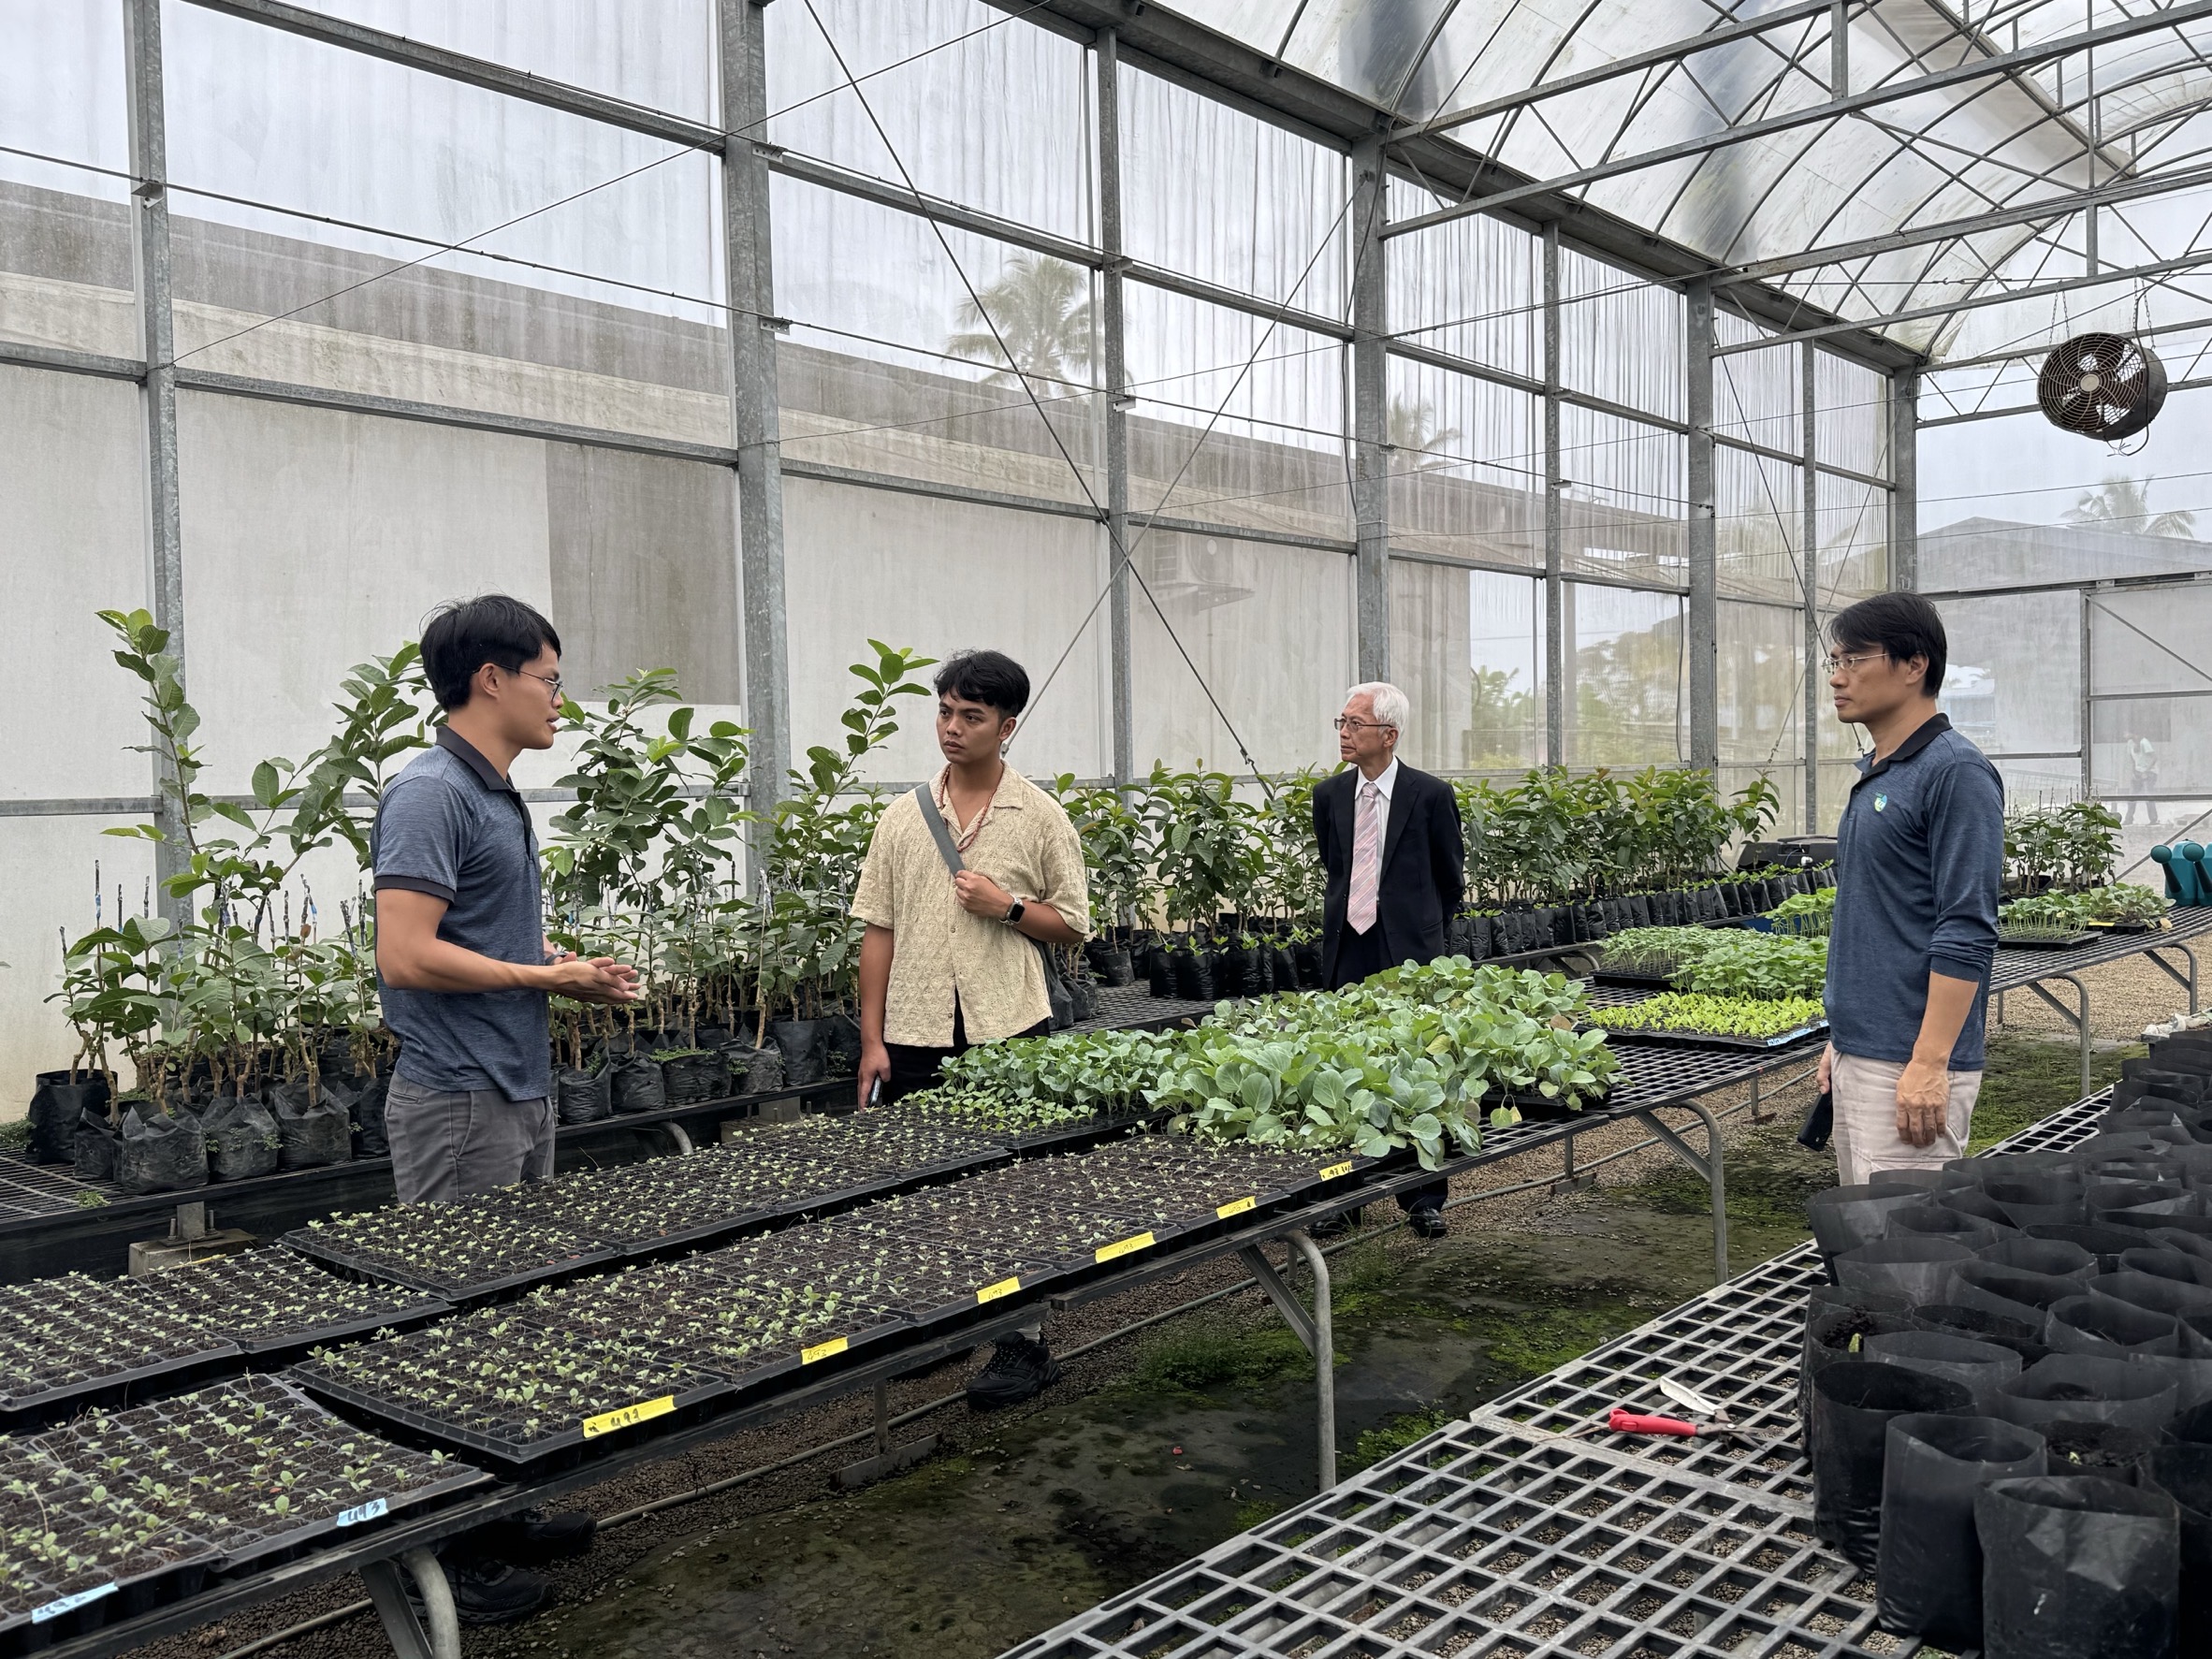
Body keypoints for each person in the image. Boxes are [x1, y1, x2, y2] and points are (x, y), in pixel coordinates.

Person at [372, 594, 640, 1623]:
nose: (560, 699)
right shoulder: (430, 793)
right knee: (454, 1321)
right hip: (458, 1098)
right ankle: (448, 1556)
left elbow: (475, 939)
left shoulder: (492, 793)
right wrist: (543, 981)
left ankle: (499, 1506)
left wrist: (562, 968)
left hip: (515, 1088)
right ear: (492, 679)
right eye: (550, 679)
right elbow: (405, 954)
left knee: (511, 1311)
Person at [852, 648, 1090, 1407]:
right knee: (921, 1186)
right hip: (915, 1028)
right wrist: (872, 1039)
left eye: (972, 716)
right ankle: (940, 1325)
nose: (952, 728)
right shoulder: (902, 817)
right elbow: (878, 930)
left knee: (1010, 1189)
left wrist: (1007, 906)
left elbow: (1074, 923)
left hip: (1008, 1027)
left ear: (1007, 726)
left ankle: (1022, 1342)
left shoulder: (1039, 816)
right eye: (945, 712)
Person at [1818, 592, 2003, 1186]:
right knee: (1862, 1233)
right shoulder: (1882, 770)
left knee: (1901, 1236)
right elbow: (1877, 916)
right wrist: (1844, 1039)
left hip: (1908, 1061)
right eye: (1834, 662)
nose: (1837, 678)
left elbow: (1967, 926)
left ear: (1914, 664)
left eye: (1853, 661)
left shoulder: (1954, 772)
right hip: (1864, 1051)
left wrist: (1928, 1062)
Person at [1311, 681, 1466, 1238]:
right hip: (1348, 944)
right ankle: (1344, 1199)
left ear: (1389, 735)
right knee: (1343, 1067)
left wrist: (1421, 932)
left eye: (1355, 724)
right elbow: (1335, 866)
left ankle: (1423, 1198)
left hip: (1408, 950)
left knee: (1416, 1067)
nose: (1344, 733)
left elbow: (1450, 877)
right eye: (1342, 722)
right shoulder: (1329, 795)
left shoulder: (1430, 795)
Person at [2127, 732, 2161, 826]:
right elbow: (2132, 760)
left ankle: (2153, 819)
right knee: (2131, 796)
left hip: (2149, 772)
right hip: (2138, 772)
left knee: (2148, 796)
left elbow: (2154, 757)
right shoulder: (2130, 743)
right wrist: (2133, 772)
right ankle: (2128, 819)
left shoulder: (2144, 742)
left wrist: (2146, 771)